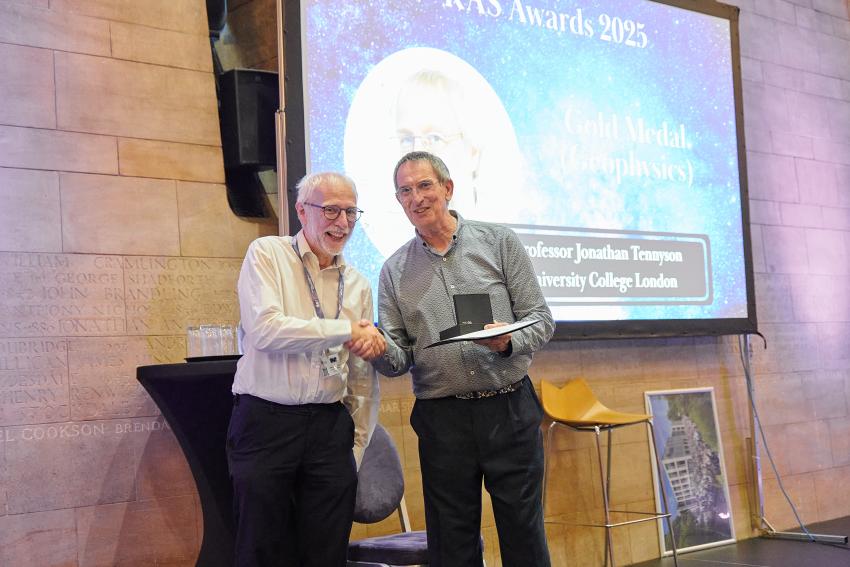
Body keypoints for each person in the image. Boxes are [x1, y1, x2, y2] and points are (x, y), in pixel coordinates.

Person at [365, 151, 555, 566]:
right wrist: (377, 348)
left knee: (524, 535)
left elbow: (541, 320)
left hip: (508, 407)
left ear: (448, 188)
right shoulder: (393, 271)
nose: (416, 197)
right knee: (452, 544)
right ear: (398, 201)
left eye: (424, 185)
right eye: (405, 191)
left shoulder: (499, 242)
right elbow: (398, 359)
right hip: (443, 419)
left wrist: (507, 342)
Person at [227, 171, 384, 567]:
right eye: (331, 210)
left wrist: (355, 446)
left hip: (330, 429)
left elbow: (361, 376)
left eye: (351, 212)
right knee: (261, 549)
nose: (343, 222)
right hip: (267, 423)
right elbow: (266, 330)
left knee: (327, 552)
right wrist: (345, 330)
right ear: (301, 211)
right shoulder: (267, 254)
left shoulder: (358, 284)